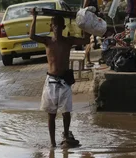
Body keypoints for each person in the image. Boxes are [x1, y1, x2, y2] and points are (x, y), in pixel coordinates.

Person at [29, 8, 90, 147]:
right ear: (51, 27)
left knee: (66, 112)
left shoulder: (68, 41)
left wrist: (82, 21)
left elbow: (86, 40)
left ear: (63, 27)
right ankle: (52, 143)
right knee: (51, 114)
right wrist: (34, 17)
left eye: (59, 25)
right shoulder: (47, 41)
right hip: (50, 81)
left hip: (64, 81)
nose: (56, 27)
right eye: (54, 25)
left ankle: (66, 135)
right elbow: (32, 36)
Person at [83, 0, 101, 67]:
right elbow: (84, 9)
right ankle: (87, 60)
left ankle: (88, 60)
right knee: (89, 41)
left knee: (91, 40)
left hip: (93, 21)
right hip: (89, 22)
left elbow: (97, 9)